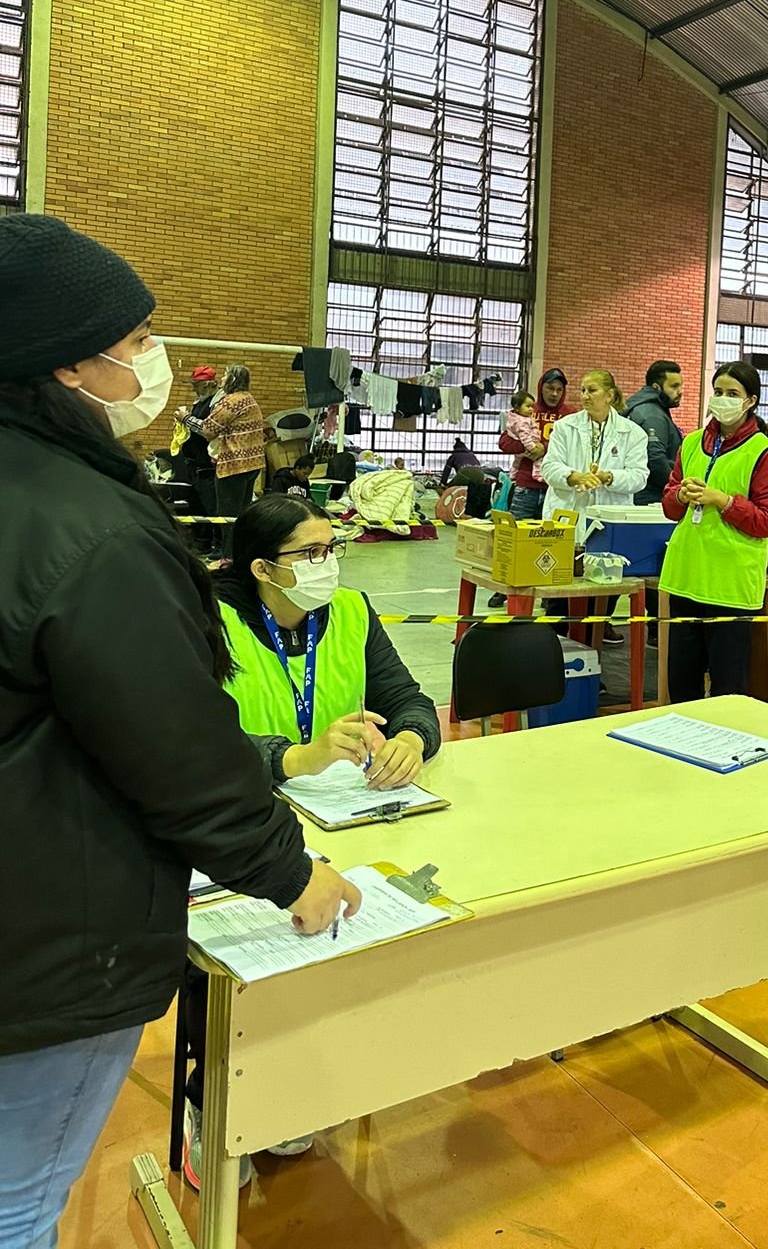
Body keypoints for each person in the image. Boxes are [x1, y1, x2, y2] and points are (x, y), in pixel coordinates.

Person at [0, 215, 359, 1249]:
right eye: (137, 338)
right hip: (50, 942)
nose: (151, 362)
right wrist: (293, 875)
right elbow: (174, 748)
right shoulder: (89, 530)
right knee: (18, 1206)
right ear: (69, 359)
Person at [181, 494, 441, 1188]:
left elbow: (411, 698)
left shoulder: (350, 612)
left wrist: (413, 738)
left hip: (342, 822)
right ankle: (207, 1103)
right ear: (265, 567)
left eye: (334, 548)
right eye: (312, 553)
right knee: (243, 968)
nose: (329, 564)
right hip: (238, 827)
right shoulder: (213, 620)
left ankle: (295, 1081)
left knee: (340, 943)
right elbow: (190, 740)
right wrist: (297, 757)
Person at [659, 361, 768, 701]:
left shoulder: (765, 453)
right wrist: (680, 495)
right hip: (687, 578)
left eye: (733, 394)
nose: (723, 399)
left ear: (750, 402)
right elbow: (669, 507)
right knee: (682, 683)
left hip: (730, 586)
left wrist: (725, 501)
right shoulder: (691, 443)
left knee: (727, 690)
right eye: (718, 392)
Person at [542, 371, 649, 648]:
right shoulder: (566, 427)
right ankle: (558, 659)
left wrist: (608, 477)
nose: (585, 396)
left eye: (592, 390)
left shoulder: (632, 433)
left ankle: (590, 663)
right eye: (583, 390)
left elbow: (639, 476)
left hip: (610, 524)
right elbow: (549, 467)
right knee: (560, 598)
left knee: (602, 600)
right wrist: (574, 476)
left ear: (610, 395)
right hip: (568, 518)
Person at [183, 363, 265, 557]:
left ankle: (227, 558)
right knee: (240, 514)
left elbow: (208, 430)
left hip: (234, 466)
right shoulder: (249, 399)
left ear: (233, 380)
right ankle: (240, 554)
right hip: (252, 464)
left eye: (225, 376)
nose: (221, 380)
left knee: (227, 516)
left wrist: (184, 417)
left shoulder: (231, 401)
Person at [498, 367, 571, 521]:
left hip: (557, 489)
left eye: (559, 389)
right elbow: (504, 443)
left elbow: (574, 446)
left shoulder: (571, 415)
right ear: (540, 387)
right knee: (517, 536)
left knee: (550, 539)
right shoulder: (527, 410)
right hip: (526, 487)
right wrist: (528, 446)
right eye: (550, 388)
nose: (554, 394)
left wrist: (544, 448)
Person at [624, 361, 684, 507]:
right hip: (650, 498)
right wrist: (676, 487)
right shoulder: (652, 415)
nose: (680, 391)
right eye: (674, 386)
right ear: (656, 388)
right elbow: (655, 459)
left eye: (681, 385)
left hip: (643, 493)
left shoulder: (646, 408)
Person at [174, 363, 220, 517]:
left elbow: (209, 430)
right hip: (194, 465)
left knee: (213, 512)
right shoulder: (200, 401)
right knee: (199, 511)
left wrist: (186, 418)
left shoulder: (217, 404)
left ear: (207, 385)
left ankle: (218, 541)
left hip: (208, 468)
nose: (193, 389)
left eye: (196, 385)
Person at [504, 388, 545, 482]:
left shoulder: (513, 417)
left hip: (519, 449)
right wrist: (532, 447)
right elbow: (524, 436)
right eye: (528, 406)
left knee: (516, 462)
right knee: (538, 458)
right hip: (528, 447)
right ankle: (537, 474)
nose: (531, 409)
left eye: (532, 406)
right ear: (517, 407)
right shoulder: (522, 421)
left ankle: (512, 475)